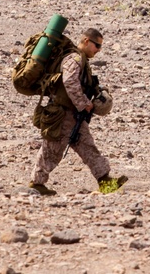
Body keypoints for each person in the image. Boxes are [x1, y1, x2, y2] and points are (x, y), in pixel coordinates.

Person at [29, 27, 126, 195]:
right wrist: (83, 103)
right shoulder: (74, 58)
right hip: (62, 114)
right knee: (51, 149)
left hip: (72, 115)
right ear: (86, 41)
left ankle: (105, 181)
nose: (99, 50)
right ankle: (37, 184)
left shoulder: (81, 59)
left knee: (87, 146)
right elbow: (69, 81)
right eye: (97, 45)